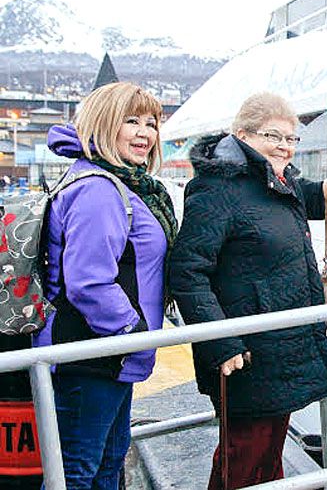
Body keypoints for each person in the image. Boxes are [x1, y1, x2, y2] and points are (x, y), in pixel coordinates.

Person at [169, 92, 327, 489]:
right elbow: (188, 272)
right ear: (240, 134)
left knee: (269, 456)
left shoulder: (282, 181)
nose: (284, 147)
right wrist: (222, 343)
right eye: (273, 136)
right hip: (246, 351)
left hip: (284, 345)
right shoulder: (216, 189)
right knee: (242, 459)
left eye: (291, 139)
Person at [33, 82, 177, 489]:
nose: (144, 133)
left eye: (151, 123)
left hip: (110, 355)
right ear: (102, 124)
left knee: (107, 464)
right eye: (131, 120)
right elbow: (89, 281)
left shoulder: (117, 183)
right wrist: (133, 332)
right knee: (78, 472)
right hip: (93, 355)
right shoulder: (99, 189)